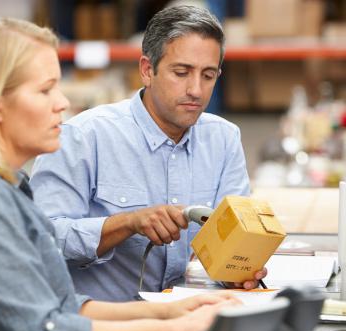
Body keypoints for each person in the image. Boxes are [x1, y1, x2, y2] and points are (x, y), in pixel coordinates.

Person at [0, 16, 240, 331]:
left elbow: (63, 307)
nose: (62, 102)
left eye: (209, 75)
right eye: (45, 90)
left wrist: (171, 311)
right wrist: (172, 329)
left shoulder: (8, 186)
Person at [30, 5, 267, 302]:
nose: (196, 89)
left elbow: (233, 246)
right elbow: (41, 239)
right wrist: (128, 223)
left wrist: (236, 272)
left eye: (208, 76)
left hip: (187, 318)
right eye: (181, 72)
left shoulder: (223, 139)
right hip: (106, 327)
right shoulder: (84, 137)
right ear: (147, 70)